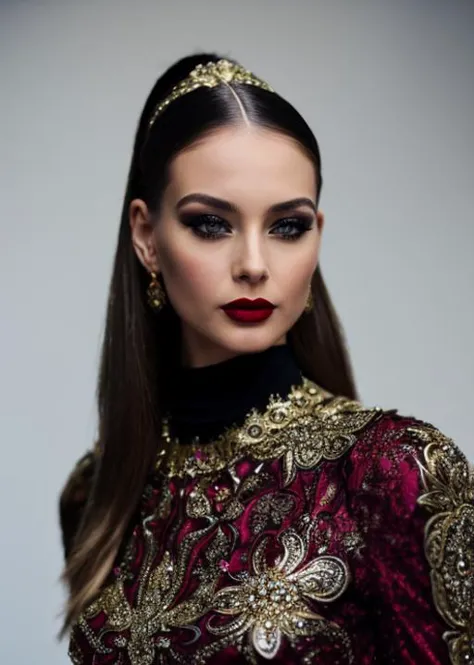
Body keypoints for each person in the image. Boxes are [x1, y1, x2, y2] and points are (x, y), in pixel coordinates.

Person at [58, 52, 473, 665]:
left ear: (317, 234)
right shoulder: (97, 491)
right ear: (147, 236)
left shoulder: (392, 471)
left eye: (286, 227)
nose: (254, 264)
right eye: (210, 224)